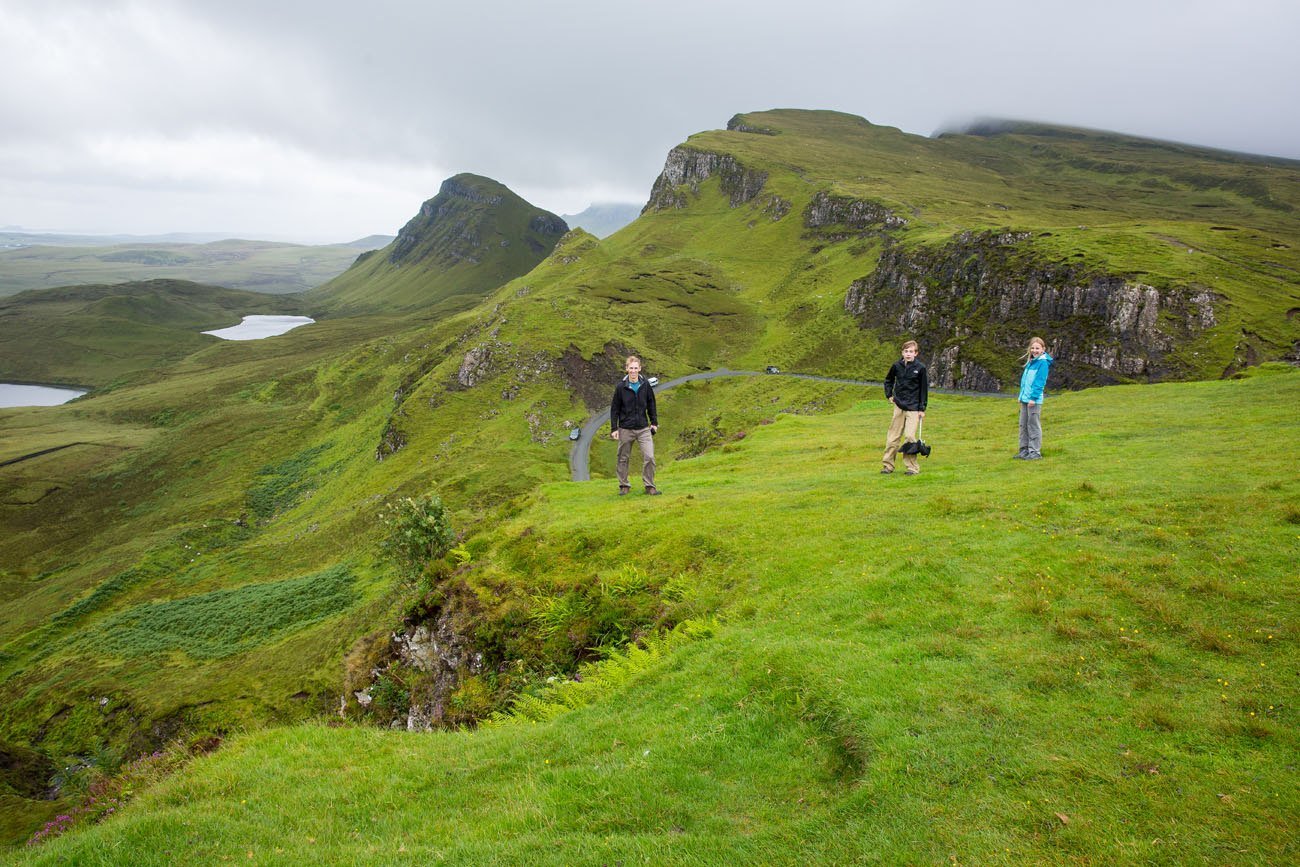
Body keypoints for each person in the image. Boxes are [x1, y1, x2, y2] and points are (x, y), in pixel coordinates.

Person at [609, 355, 660, 495]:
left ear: (640, 368)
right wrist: (614, 428)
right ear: (626, 369)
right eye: (630, 368)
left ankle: (650, 486)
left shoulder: (645, 385)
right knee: (623, 458)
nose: (633, 371)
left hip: (643, 428)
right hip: (625, 429)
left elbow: (651, 404)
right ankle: (624, 485)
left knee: (649, 456)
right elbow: (615, 409)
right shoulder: (621, 387)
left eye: (635, 368)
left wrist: (654, 423)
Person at [881, 340, 928, 476]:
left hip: (913, 407)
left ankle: (912, 468)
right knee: (893, 437)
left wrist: (922, 408)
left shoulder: (920, 368)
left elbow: (924, 389)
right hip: (899, 405)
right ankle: (888, 466)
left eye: (911, 351)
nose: (908, 354)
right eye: (906, 351)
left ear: (916, 353)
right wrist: (889, 395)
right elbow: (888, 380)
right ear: (902, 353)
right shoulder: (896, 366)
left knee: (910, 437)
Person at [1015, 336, 1053, 460]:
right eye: (1033, 348)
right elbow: (1025, 381)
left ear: (1043, 349)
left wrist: (1033, 398)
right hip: (1025, 399)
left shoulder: (1042, 363)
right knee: (1023, 424)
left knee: (1033, 425)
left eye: (1037, 348)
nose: (1034, 350)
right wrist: (1021, 396)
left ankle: (1035, 452)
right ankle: (1024, 450)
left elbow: (1039, 382)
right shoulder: (1031, 362)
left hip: (1033, 400)